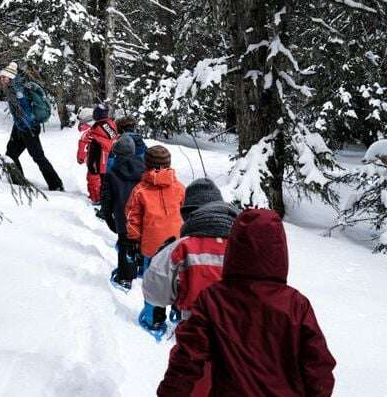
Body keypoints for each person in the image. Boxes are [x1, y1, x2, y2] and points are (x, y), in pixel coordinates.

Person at [157, 209, 336, 397]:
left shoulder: (213, 299)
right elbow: (319, 369)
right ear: (280, 249)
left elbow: (188, 358)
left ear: (233, 247)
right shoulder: (296, 304)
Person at [138, 179, 237, 342]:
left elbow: (154, 293)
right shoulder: (245, 244)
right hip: (241, 337)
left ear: (188, 214)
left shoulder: (182, 247)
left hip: (196, 335)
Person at [1, 62, 64, 191]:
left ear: (11, 77)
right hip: (20, 127)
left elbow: (27, 113)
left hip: (28, 129)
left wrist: (25, 128)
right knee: (11, 154)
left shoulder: (18, 91)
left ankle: (56, 184)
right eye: (1, 77)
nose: (1, 79)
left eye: (4, 77)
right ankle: (18, 182)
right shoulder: (13, 88)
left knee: (38, 157)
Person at [125, 145, 185, 275]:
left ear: (146, 164)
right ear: (168, 164)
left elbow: (132, 219)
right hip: (176, 246)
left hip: (151, 248)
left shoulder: (139, 190)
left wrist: (134, 240)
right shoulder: (180, 188)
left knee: (151, 286)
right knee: (173, 287)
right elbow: (187, 216)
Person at [100, 135, 145, 290]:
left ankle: (125, 278)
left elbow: (106, 199)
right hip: (141, 216)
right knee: (140, 242)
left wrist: (108, 218)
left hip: (122, 217)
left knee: (125, 245)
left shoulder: (111, 173)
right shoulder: (145, 170)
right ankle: (140, 267)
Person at [86, 104, 118, 203]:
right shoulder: (111, 124)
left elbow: (87, 140)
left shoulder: (96, 128)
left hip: (100, 156)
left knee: (94, 175)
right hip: (110, 157)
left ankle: (97, 198)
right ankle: (106, 198)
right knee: (106, 178)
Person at [76, 107, 100, 203]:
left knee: (92, 178)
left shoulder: (87, 132)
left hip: (93, 158)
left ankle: (96, 198)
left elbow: (82, 145)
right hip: (106, 158)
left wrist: (80, 158)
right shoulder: (102, 128)